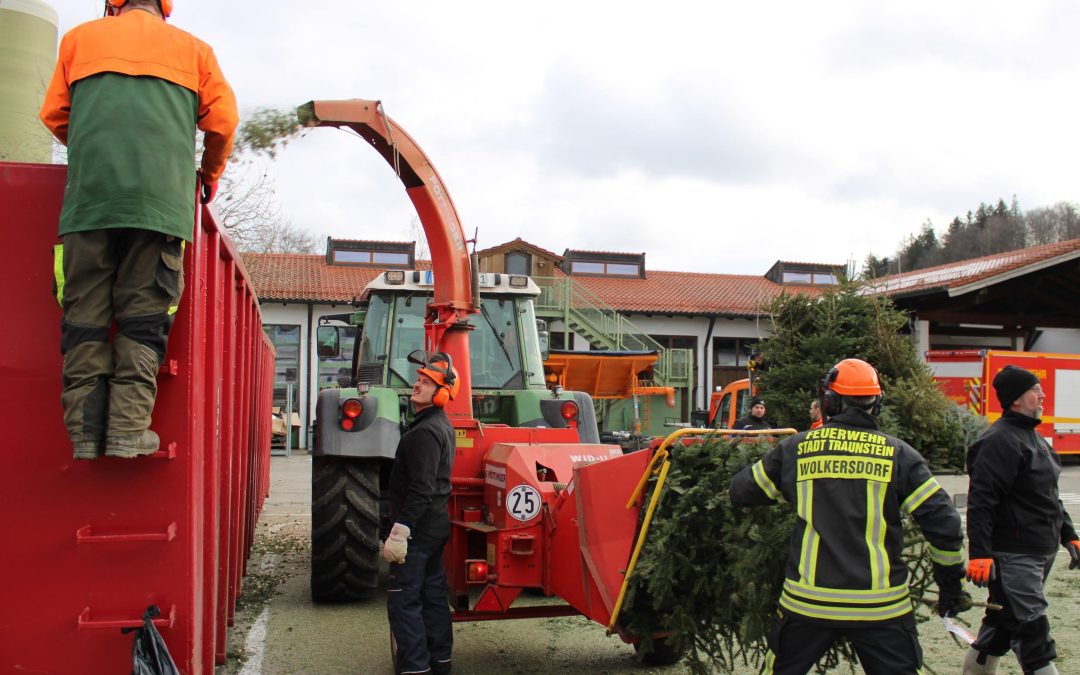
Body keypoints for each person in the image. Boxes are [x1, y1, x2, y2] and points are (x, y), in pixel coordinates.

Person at [39, 0, 238, 459]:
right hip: (160, 209)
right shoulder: (196, 51)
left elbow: (55, 115)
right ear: (165, 7)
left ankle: (85, 434)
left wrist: (96, 150)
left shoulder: (80, 39)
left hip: (88, 204)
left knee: (84, 317)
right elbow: (223, 124)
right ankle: (128, 430)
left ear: (113, 4)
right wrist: (207, 175)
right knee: (144, 317)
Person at [730, 358, 969, 674]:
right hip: (881, 608)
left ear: (829, 402)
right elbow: (946, 525)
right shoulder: (899, 455)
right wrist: (950, 587)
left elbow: (741, 491)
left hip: (807, 605)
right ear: (877, 403)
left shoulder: (796, 449)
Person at [963, 365, 1080, 675]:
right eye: (1035, 390)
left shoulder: (1036, 441)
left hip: (1039, 551)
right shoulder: (999, 442)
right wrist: (980, 554)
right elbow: (981, 502)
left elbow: (1048, 496)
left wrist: (1069, 534)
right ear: (1016, 399)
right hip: (1015, 553)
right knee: (1033, 630)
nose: (1042, 395)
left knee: (1002, 625)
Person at [384, 350, 459, 675]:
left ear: (441, 393)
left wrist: (400, 531)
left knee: (404, 601)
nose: (417, 384)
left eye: (426, 382)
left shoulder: (424, 434)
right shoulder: (440, 427)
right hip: (434, 530)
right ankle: (440, 665)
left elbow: (422, 488)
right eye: (419, 379)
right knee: (432, 598)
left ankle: (415, 668)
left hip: (417, 533)